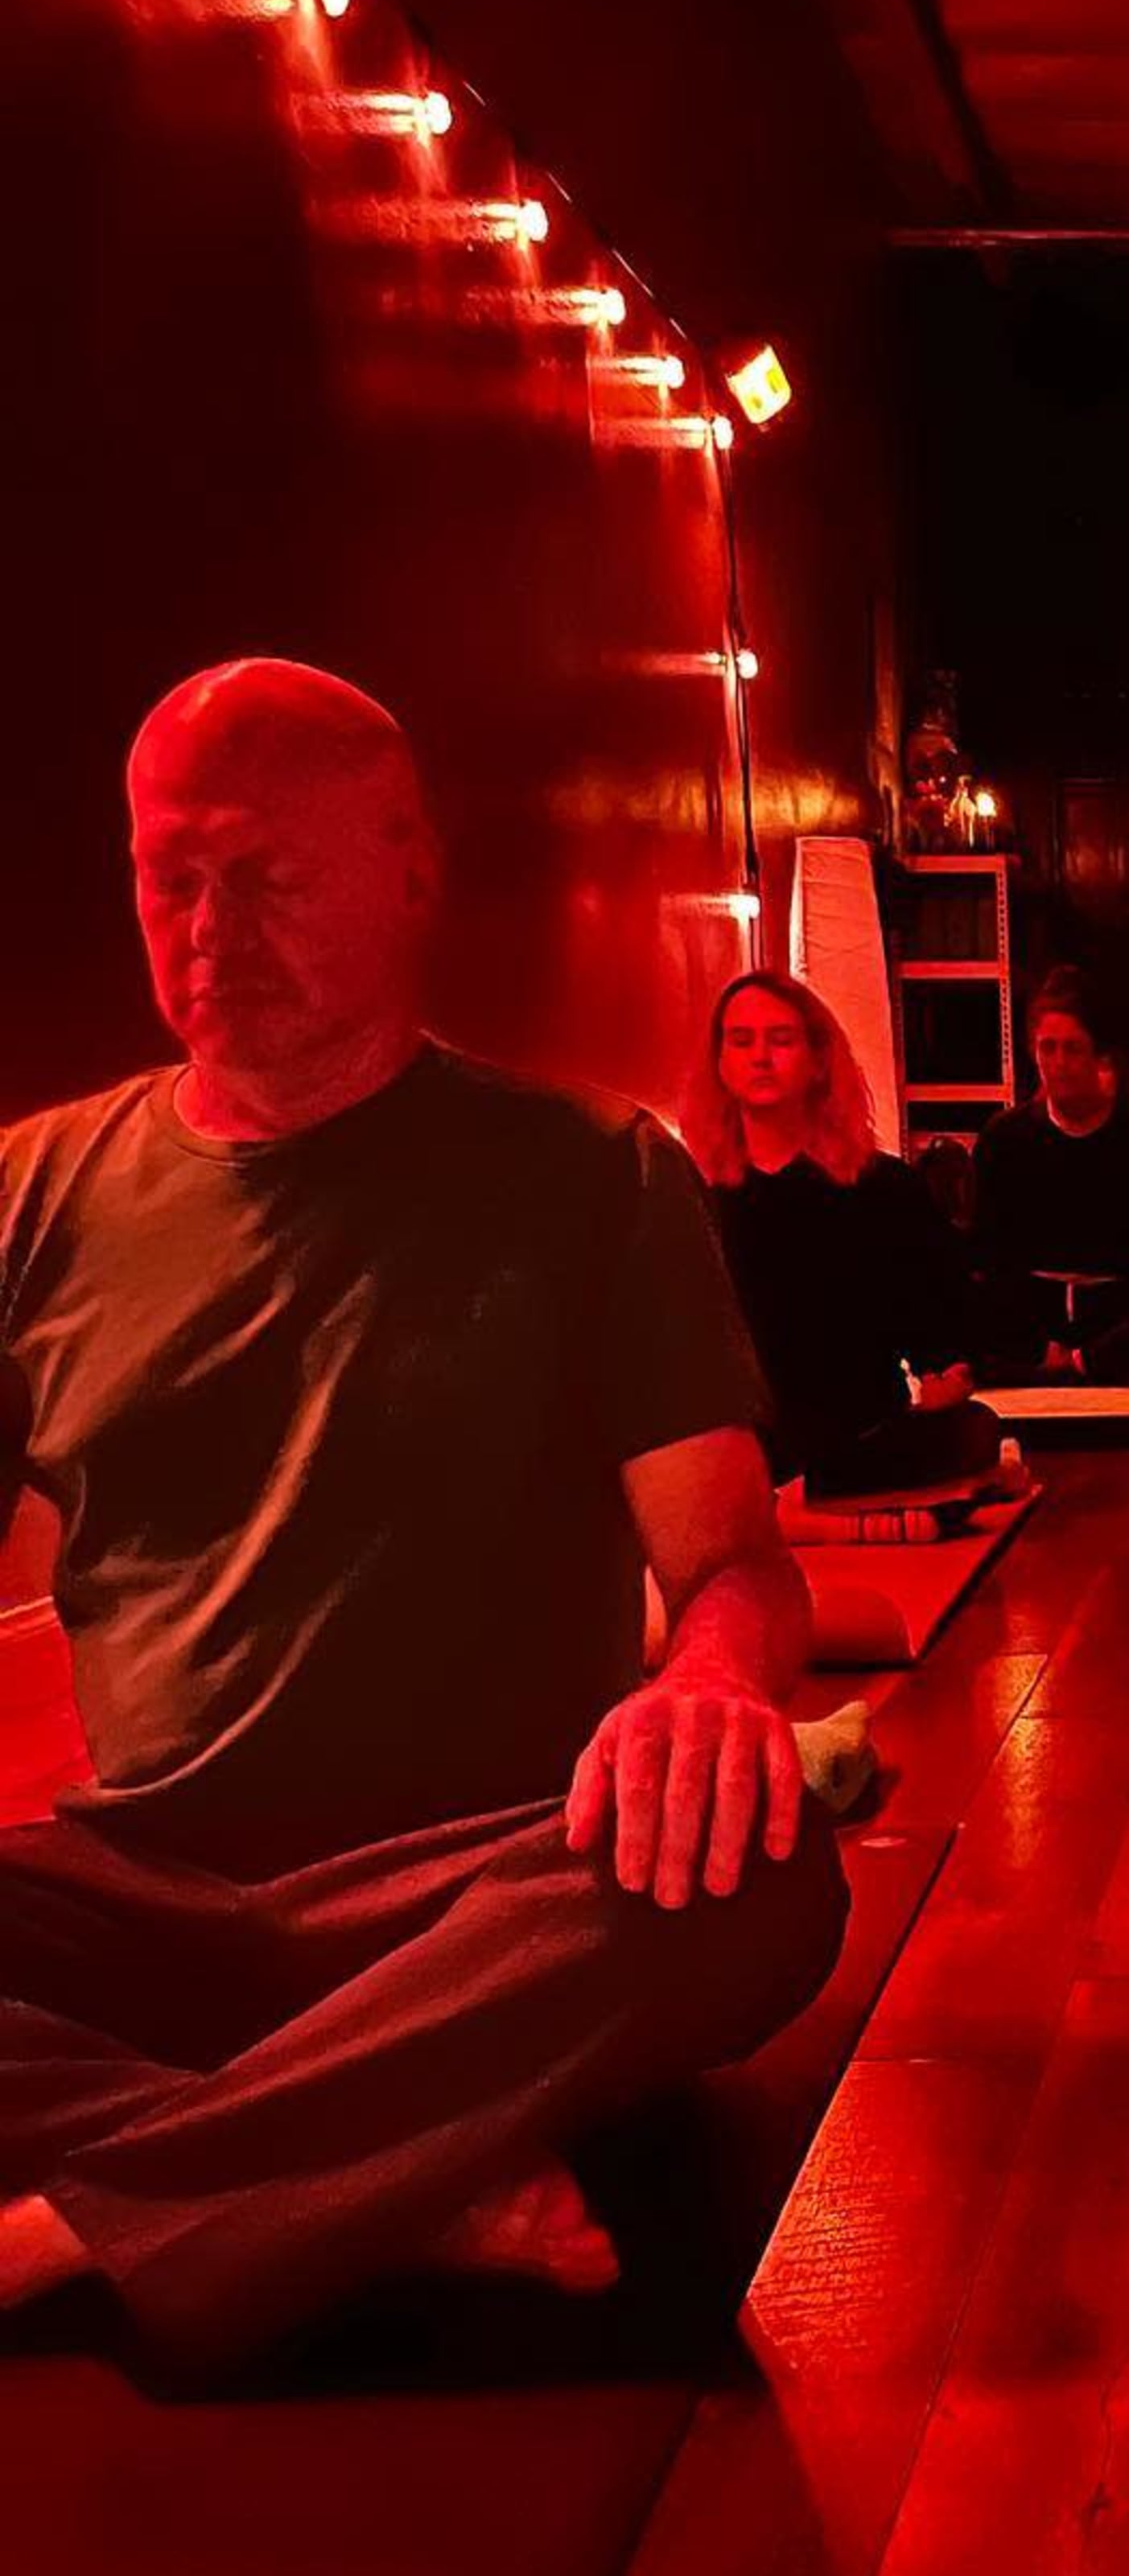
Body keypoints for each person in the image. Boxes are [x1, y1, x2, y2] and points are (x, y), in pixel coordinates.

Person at [0, 660, 847, 2381]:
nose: (213, 928)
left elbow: (733, 1569)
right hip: (147, 1895)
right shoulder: (28, 1194)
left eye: (272, 874)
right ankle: (384, 2180)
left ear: (409, 870)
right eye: (174, 878)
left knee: (759, 1881)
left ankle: (77, 2221)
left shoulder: (595, 1179)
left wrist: (709, 1689)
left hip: (480, 1897)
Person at [683, 969, 1001, 1495]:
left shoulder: (883, 1188)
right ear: (719, 1062)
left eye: (780, 1040)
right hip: (734, 1459)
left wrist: (947, 1380)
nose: (760, 1056)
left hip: (858, 1451)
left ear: (817, 1060)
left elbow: (942, 1331)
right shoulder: (691, 1196)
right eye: (741, 1041)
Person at [971, 969, 1129, 1385]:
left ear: (1098, 1056)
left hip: (1114, 1316)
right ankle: (1044, 1362)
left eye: (1073, 1050)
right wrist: (1031, 1339)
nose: (1059, 1064)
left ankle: (1084, 1366)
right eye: (1048, 1049)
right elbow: (985, 1253)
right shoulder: (1004, 1138)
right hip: (1033, 1313)